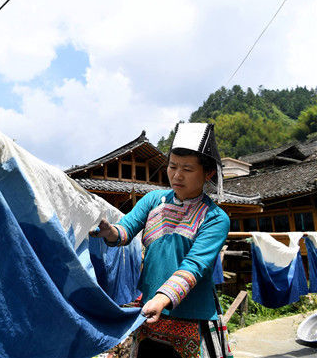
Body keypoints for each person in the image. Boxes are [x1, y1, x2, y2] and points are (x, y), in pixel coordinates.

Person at [90, 123, 233, 358]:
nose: (176, 175)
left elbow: (194, 266)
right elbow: (125, 230)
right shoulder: (153, 200)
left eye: (187, 169)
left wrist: (162, 297)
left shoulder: (215, 218)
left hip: (192, 317)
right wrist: (109, 232)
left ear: (207, 173)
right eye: (173, 166)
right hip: (150, 313)